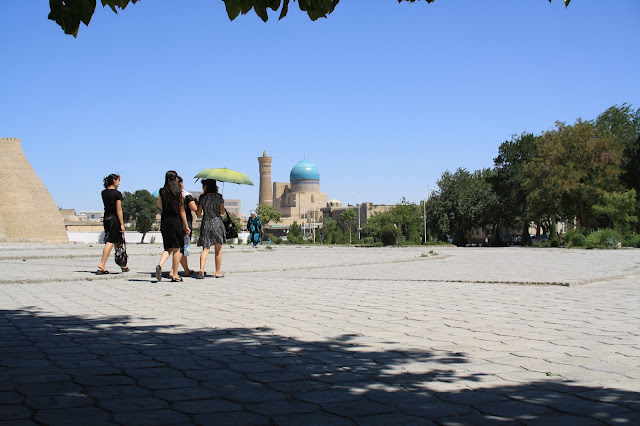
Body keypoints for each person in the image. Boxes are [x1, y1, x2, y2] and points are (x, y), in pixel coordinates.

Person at [156, 171, 190, 282]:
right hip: (176, 221)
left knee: (168, 247)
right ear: (176, 179)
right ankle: (175, 274)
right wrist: (186, 225)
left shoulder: (162, 191)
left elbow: (159, 205)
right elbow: (182, 210)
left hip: (165, 221)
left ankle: (160, 265)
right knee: (177, 249)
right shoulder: (178, 192)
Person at [97, 174, 128, 274]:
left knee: (117, 241)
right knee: (110, 241)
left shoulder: (104, 193)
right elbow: (118, 209)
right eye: (118, 181)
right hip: (114, 219)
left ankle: (123, 265)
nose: (119, 183)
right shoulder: (117, 194)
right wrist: (122, 224)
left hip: (106, 218)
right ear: (114, 181)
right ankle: (102, 263)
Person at [196, 179, 226, 279]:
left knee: (206, 248)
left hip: (206, 223)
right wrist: (222, 204)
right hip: (217, 223)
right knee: (218, 249)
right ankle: (217, 272)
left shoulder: (202, 197)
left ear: (206, 186)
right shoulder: (219, 197)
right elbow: (222, 212)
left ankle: (201, 269)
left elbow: (198, 214)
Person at [178, 176, 197, 277]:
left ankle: (186, 269)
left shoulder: (169, 194)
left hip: (173, 223)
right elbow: (194, 208)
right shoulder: (186, 195)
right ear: (181, 183)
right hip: (186, 223)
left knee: (176, 247)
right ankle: (175, 270)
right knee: (184, 248)